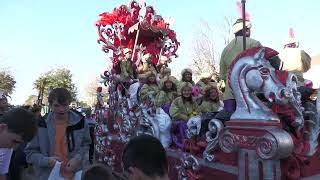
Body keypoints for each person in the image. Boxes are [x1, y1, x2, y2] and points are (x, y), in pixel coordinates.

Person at [25, 88, 91, 180]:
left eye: (65, 105)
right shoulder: (41, 124)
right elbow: (30, 153)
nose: (61, 109)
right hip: (47, 175)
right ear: (50, 105)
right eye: (56, 105)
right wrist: (47, 161)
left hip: (74, 175)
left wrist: (78, 159)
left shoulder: (80, 122)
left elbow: (86, 144)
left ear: (69, 104)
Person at [219, 18, 262, 114]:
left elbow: (222, 75)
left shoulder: (225, 49)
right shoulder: (254, 43)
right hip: (250, 94)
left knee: (230, 126)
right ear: (246, 30)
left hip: (229, 96)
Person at [0, 108, 37, 180]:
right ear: (2, 128)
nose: (14, 148)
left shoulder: (7, 149)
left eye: (19, 143)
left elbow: (1, 174)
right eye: (14, 141)